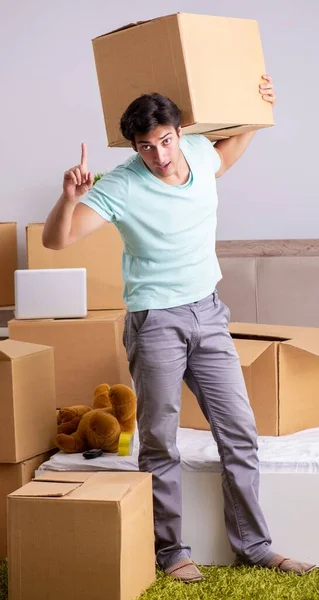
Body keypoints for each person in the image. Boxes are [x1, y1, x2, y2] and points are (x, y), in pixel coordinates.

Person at [43, 75, 316, 583]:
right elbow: (58, 240)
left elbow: (233, 145)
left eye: (165, 140)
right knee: (160, 442)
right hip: (155, 322)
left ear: (180, 131)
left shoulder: (199, 153)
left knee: (240, 434)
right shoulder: (122, 183)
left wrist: (257, 102)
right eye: (145, 146)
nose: (159, 155)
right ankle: (171, 552)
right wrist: (68, 197)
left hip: (209, 314)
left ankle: (254, 547)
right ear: (133, 147)